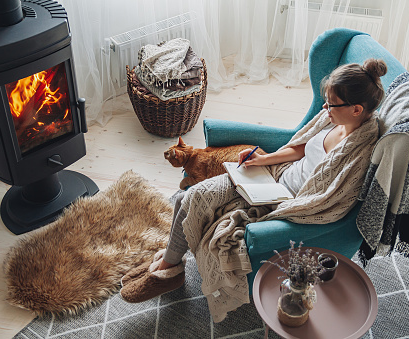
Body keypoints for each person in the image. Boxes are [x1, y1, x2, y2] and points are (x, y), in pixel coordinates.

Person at [120, 58, 387, 321]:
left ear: (356, 109)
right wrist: (262, 160)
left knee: (188, 198)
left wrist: (282, 204)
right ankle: (171, 266)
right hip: (271, 178)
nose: (325, 107)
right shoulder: (333, 119)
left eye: (332, 104)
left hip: (283, 200)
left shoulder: (360, 151)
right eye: (326, 100)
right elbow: (302, 146)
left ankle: (167, 268)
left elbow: (330, 200)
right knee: (187, 197)